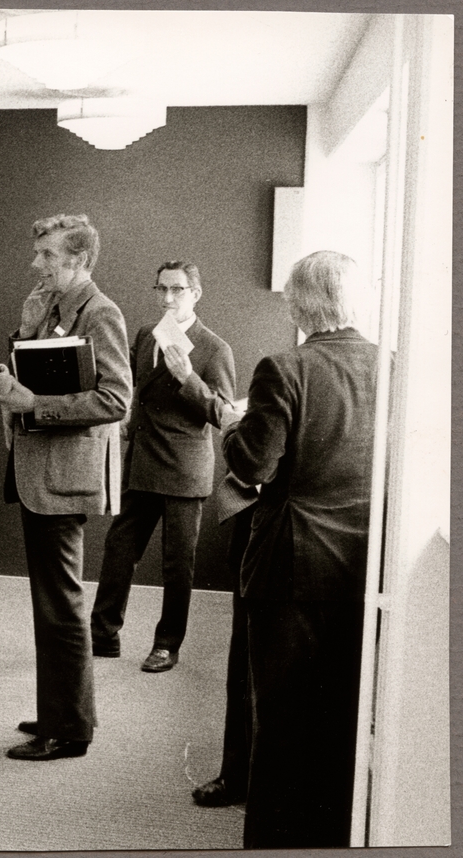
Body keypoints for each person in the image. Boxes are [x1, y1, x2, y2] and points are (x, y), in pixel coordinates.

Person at [222, 250, 378, 848]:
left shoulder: (284, 368)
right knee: (342, 716)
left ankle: (273, 842)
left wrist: (234, 428)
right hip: (364, 566)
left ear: (297, 304)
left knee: (282, 720)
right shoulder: (390, 365)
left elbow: (253, 466)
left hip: (289, 564)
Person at [0, 213, 131, 761]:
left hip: (62, 478)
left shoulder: (101, 312)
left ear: (79, 260)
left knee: (62, 606)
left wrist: (35, 404)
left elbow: (116, 400)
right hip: (42, 473)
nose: (36, 264)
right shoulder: (49, 306)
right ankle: (60, 711)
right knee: (52, 605)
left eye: (48, 255)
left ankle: (69, 729)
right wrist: (16, 371)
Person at [89, 261, 236, 672]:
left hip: (185, 471)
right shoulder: (145, 335)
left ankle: (167, 645)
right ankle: (102, 634)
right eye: (162, 289)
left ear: (195, 294)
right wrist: (125, 420)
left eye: (178, 290)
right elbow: (132, 388)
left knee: (177, 564)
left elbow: (223, 414)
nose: (168, 298)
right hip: (142, 462)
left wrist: (188, 377)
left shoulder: (214, 348)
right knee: (119, 549)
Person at [191, 473, 256, 808]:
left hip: (279, 527)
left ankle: (238, 775)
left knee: (247, 659)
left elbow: (254, 462)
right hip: (349, 534)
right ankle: (239, 774)